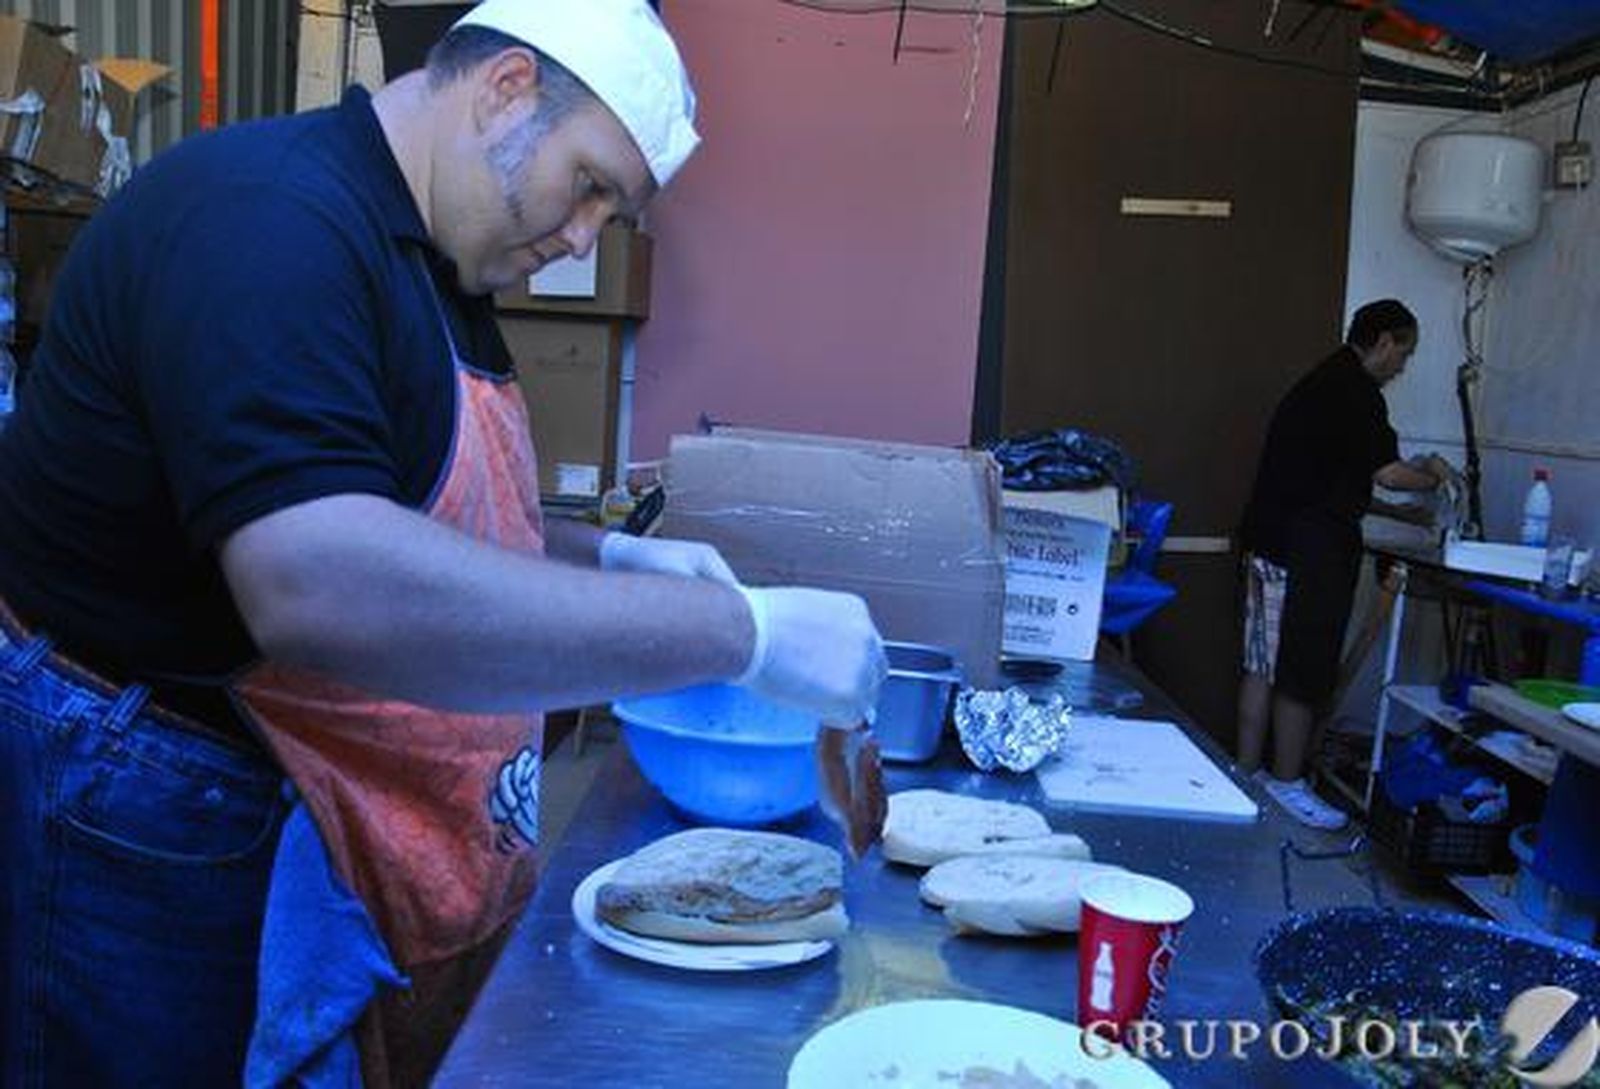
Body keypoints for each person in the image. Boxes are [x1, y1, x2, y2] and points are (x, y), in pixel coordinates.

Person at [0, 3, 886, 1085]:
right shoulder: (270, 223)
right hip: (144, 793)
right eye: (590, 185)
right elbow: (316, 579)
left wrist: (607, 559)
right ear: (508, 86)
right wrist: (730, 633)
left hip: (272, 784)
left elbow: (440, 518)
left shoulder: (437, 265)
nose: (579, 237)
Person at [1236, 299, 1454, 830]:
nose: (1403, 366)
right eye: (1404, 352)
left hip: (1272, 541)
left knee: (1263, 664)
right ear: (1383, 342)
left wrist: (1407, 507)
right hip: (1306, 553)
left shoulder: (1321, 384)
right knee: (1301, 669)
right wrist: (1438, 475)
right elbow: (1389, 474)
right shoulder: (1356, 394)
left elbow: (1341, 483)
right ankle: (1287, 782)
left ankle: (1244, 777)